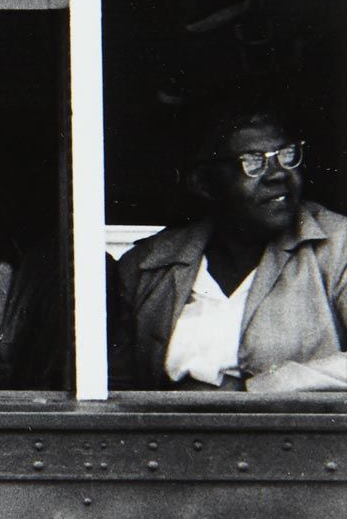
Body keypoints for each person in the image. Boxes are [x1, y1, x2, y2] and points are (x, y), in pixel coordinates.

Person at [112, 106, 346, 392]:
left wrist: (268, 386)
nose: (278, 175)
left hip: (293, 436)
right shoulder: (148, 265)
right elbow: (116, 386)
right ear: (205, 183)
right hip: (173, 436)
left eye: (286, 155)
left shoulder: (337, 246)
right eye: (252, 162)